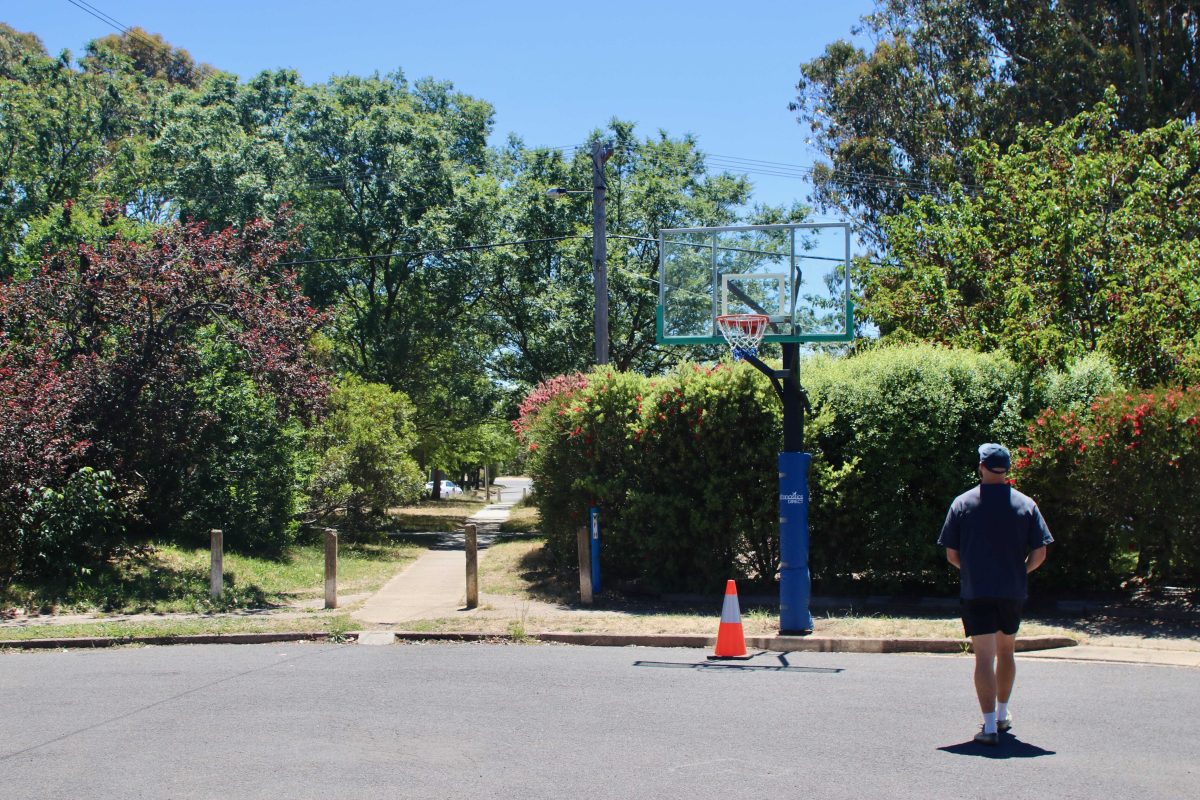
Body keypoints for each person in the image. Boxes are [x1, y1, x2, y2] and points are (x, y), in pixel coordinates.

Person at [938, 443, 1053, 745]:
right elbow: (1040, 552)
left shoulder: (963, 503)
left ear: (981, 467)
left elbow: (952, 554)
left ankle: (988, 727)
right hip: (1011, 590)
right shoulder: (1025, 504)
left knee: (984, 658)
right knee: (1006, 652)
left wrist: (972, 570)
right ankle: (1002, 714)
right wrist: (1020, 571)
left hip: (977, 590)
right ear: (1007, 470)